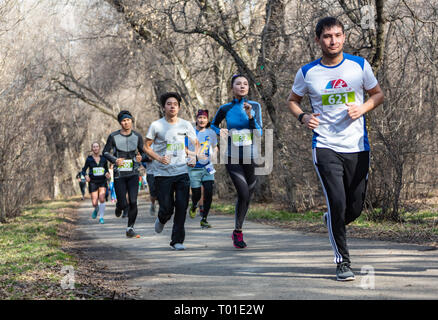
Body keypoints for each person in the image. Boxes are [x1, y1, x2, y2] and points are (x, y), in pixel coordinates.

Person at [287, 17, 384, 281]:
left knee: (354, 208)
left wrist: (363, 108)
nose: (333, 41)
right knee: (337, 203)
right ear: (318, 39)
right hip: (325, 145)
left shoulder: (359, 66)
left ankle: (332, 222)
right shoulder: (308, 72)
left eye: (338, 35)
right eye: (328, 36)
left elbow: (378, 94)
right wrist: (303, 117)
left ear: (344, 37)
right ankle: (342, 262)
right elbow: (293, 101)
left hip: (357, 145)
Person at [211, 74, 263, 249]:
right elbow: (212, 125)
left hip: (251, 156)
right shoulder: (225, 108)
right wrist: (220, 132)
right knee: (243, 193)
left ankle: (238, 228)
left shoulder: (254, 106)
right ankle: (238, 232)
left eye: (245, 84)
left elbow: (259, 133)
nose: (242, 86)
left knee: (249, 192)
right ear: (232, 87)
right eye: (238, 84)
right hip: (232, 156)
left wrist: (250, 116)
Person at [144, 92, 198, 251]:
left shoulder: (186, 125)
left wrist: (193, 157)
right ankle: (161, 218)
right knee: (167, 208)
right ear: (163, 107)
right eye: (169, 103)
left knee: (182, 206)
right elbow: (146, 147)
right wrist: (159, 158)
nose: (172, 106)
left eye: (175, 103)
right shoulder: (156, 125)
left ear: (179, 107)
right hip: (162, 173)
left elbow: (196, 143)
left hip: (182, 171)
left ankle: (177, 241)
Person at [103, 110, 149, 238]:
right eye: (123, 120)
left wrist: (142, 158)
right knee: (123, 203)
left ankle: (130, 228)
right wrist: (115, 160)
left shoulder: (137, 136)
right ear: (120, 123)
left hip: (133, 173)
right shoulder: (113, 136)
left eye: (128, 120)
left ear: (131, 121)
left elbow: (144, 153)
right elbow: (105, 152)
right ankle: (119, 206)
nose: (126, 122)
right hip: (119, 174)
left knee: (133, 201)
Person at [186, 109, 218, 229]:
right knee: (196, 194)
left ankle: (204, 219)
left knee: (209, 192)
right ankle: (194, 205)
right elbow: (184, 149)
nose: (202, 120)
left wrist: (214, 154)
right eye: (200, 118)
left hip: (208, 167)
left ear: (207, 120)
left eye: (204, 118)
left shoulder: (211, 133)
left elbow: (215, 147)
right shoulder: (190, 133)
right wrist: (195, 155)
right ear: (196, 119)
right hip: (194, 168)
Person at [81, 142, 111, 224]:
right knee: (94, 202)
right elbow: (83, 170)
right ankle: (96, 208)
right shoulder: (89, 159)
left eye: (97, 146)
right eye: (94, 147)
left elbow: (106, 170)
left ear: (99, 148)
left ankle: (101, 217)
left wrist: (107, 174)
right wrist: (86, 176)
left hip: (102, 181)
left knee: (101, 198)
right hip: (93, 182)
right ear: (92, 149)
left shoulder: (104, 158)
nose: (95, 148)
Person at [144, 150, 158, 216]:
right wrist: (147, 159)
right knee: (153, 192)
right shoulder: (147, 146)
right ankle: (153, 204)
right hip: (151, 173)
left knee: (163, 191)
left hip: (162, 172)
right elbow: (142, 159)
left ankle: (162, 207)